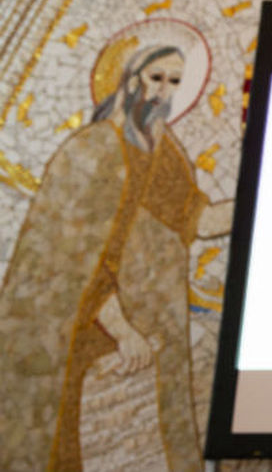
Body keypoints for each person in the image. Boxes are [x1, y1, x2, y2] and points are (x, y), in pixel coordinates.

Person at [0, 44, 231, 471]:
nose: (164, 91)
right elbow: (70, 266)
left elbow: (197, 218)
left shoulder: (164, 153)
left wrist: (264, 193)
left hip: (132, 320)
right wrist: (123, 330)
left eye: (174, 82)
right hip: (68, 325)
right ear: (130, 80)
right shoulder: (91, 151)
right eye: (156, 78)